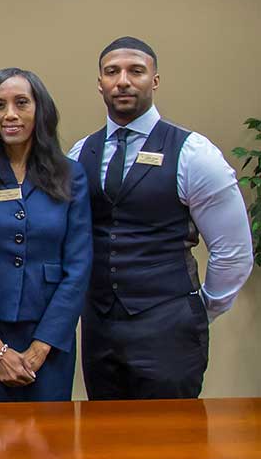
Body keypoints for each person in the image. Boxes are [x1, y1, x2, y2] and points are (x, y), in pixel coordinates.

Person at [69, 37, 252, 400]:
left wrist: (198, 310)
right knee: (106, 443)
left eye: (136, 71)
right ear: (100, 83)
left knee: (172, 445)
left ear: (154, 80)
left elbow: (233, 252)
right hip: (99, 328)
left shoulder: (194, 154)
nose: (123, 80)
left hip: (170, 328)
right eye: (112, 72)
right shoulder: (79, 154)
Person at [0, 68, 91, 402]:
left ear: (40, 111)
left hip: (50, 335)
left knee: (47, 446)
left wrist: (42, 348)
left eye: (21, 103)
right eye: (0, 105)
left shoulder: (71, 174)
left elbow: (79, 266)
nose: (10, 114)